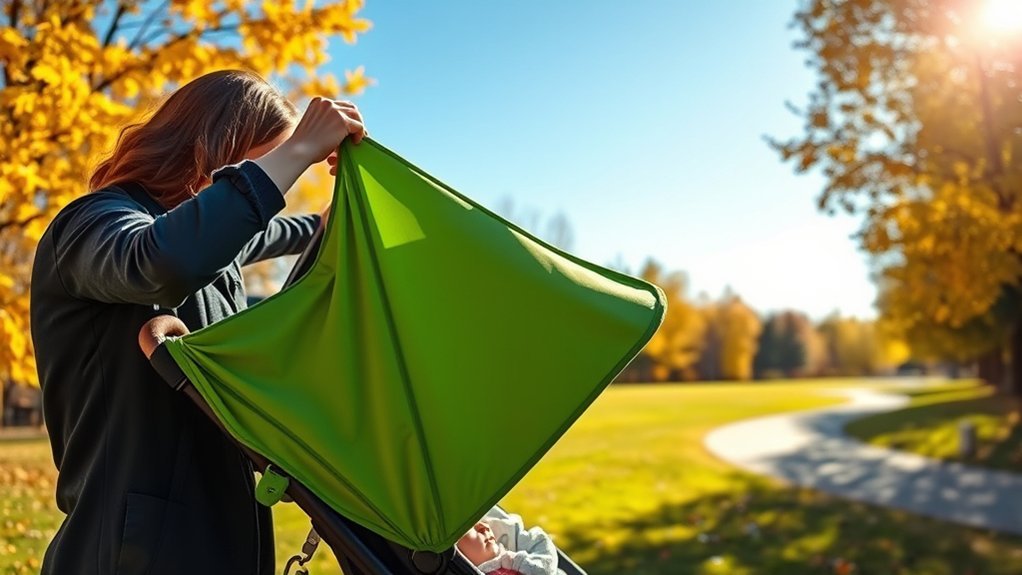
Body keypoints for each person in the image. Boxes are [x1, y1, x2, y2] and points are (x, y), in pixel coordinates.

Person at [29, 69, 365, 575]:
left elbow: (276, 232)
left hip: (225, 538)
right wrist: (296, 151)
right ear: (214, 146)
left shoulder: (210, 247)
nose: (271, 184)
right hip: (130, 553)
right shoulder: (91, 224)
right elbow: (161, 263)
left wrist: (339, 213)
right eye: (265, 163)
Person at [456, 515, 560, 575]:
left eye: (480, 521)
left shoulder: (513, 559)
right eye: (469, 527)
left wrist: (522, 564)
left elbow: (543, 547)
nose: (484, 527)